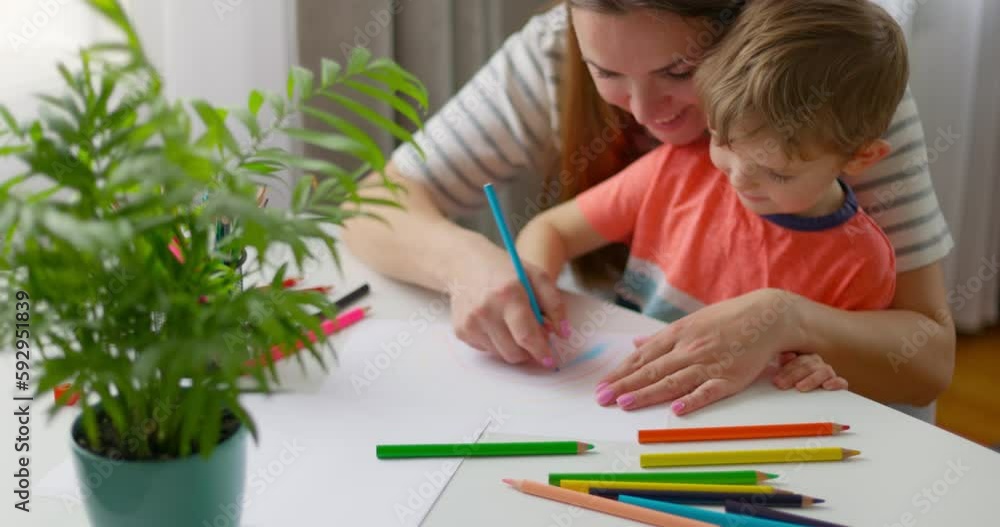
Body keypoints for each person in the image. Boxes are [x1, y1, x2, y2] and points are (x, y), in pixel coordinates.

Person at [341, 1, 955, 420]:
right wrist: (470, 263)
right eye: (605, 72)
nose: (645, 112)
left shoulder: (824, 87)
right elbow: (368, 203)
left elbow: (927, 359)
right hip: (617, 391)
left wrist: (788, 318)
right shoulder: (554, 52)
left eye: (679, 71)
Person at [516, 0, 906, 412]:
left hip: (738, 427)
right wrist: (529, 292)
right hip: (628, 404)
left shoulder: (861, 261)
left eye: (777, 173)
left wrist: (817, 372)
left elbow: (841, 372)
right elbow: (552, 230)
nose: (737, 179)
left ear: (862, 157)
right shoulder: (676, 168)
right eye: (722, 140)